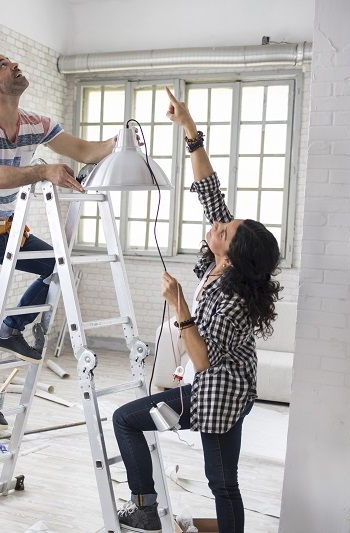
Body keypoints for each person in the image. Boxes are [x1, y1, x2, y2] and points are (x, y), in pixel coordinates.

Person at [111, 86, 282, 533]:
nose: (217, 223)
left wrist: (180, 304)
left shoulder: (231, 298)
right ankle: (156, 509)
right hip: (218, 387)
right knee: (215, 476)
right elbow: (210, 192)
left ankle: (148, 509)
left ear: (232, 252)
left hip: (220, 394)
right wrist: (189, 129)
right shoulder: (222, 262)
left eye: (223, 228)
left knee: (218, 480)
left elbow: (203, 361)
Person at [0, 51, 118, 430]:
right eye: (3, 66)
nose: (15, 66)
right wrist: (44, 170)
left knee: (59, 268)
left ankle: (12, 328)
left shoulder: (35, 124)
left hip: (7, 227)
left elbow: (88, 151)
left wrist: (123, 141)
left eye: (13, 62)